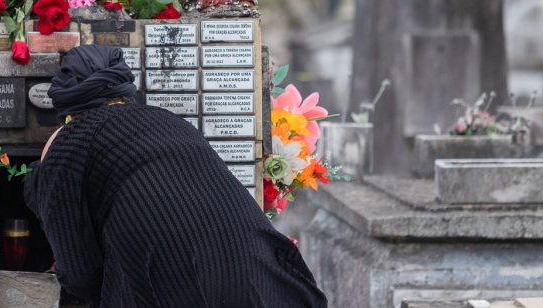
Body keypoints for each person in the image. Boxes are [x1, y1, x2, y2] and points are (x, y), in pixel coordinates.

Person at [24, 45, 327, 308]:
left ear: (67, 110)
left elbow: (80, 273)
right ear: (123, 91)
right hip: (267, 282)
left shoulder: (68, 142)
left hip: (175, 290)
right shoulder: (169, 120)